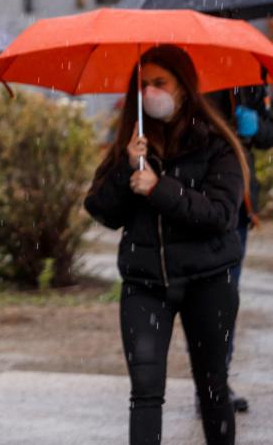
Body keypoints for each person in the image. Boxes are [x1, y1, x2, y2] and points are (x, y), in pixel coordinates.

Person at [84, 45, 249, 445]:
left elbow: (219, 214)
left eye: (160, 83)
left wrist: (160, 189)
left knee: (212, 387)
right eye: (142, 85)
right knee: (144, 392)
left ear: (183, 87)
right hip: (145, 285)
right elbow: (101, 210)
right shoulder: (133, 144)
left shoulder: (215, 144)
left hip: (207, 281)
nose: (150, 93)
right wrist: (128, 169)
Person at [207, 79, 273, 413]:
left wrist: (254, 124)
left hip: (237, 203)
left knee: (226, 295)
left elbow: (268, 134)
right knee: (202, 297)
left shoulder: (251, 77)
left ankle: (216, 382)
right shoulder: (189, 75)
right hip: (197, 200)